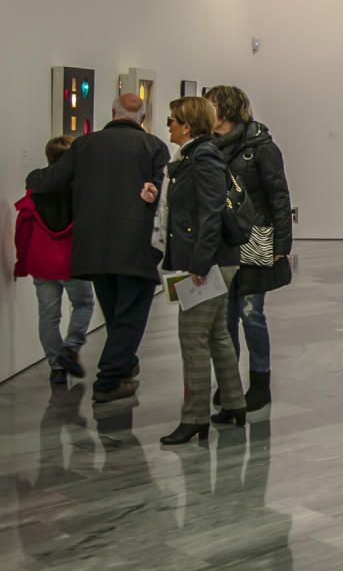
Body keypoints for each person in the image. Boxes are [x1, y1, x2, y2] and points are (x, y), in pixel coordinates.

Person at [27, 94, 169, 402]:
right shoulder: (154, 147)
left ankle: (125, 364)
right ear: (142, 119)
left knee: (116, 311)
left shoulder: (85, 145)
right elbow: (159, 195)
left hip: (92, 249)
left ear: (112, 113)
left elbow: (49, 179)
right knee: (131, 312)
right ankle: (108, 379)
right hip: (135, 247)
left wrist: (32, 177)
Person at [149, 97, 246, 445]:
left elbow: (211, 213)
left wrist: (199, 265)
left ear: (187, 126)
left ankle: (194, 418)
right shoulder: (194, 157)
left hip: (210, 263)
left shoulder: (202, 158)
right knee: (217, 334)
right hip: (216, 260)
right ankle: (234, 403)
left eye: (172, 120)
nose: (168, 126)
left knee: (192, 338)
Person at [206, 86, 293, 412]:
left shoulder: (261, 148)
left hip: (254, 242)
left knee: (251, 315)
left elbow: (279, 197)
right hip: (221, 244)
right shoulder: (209, 147)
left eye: (211, 105)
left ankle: (260, 383)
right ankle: (229, 382)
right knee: (224, 318)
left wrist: (282, 244)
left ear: (226, 111)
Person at [14, 136, 95, 385]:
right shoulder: (81, 190)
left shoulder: (36, 188)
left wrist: (22, 261)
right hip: (73, 262)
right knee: (84, 304)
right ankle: (71, 347)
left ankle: (56, 366)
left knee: (48, 316)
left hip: (42, 261)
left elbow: (23, 229)